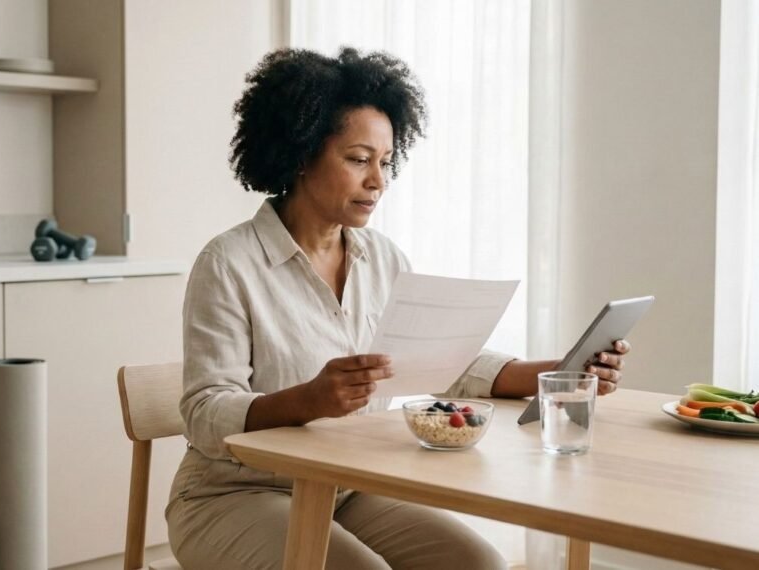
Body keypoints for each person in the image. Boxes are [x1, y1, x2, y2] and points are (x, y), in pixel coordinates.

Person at [166, 47, 629, 569]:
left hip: (347, 487)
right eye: (358, 159)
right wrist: (308, 399)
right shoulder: (229, 263)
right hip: (234, 495)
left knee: (480, 564)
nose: (378, 181)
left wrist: (563, 371)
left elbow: (443, 362)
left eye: (384, 162)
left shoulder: (382, 258)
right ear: (300, 154)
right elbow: (204, 413)